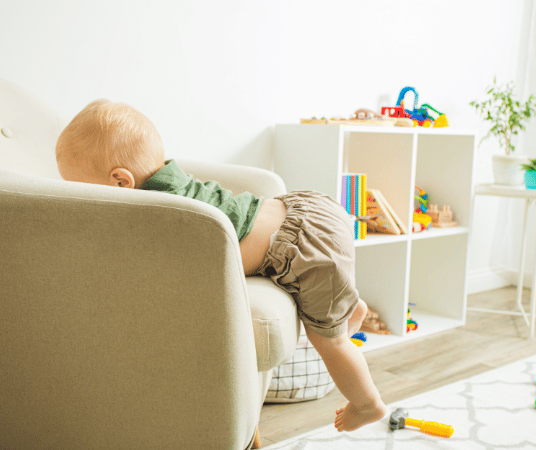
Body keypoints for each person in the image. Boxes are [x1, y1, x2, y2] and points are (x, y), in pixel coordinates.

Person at [55, 99, 386, 432]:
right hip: (307, 210)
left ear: (121, 182)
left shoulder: (158, 211)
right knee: (332, 310)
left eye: (79, 188)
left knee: (331, 343)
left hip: (307, 251)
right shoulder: (169, 178)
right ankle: (348, 310)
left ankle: (367, 404)